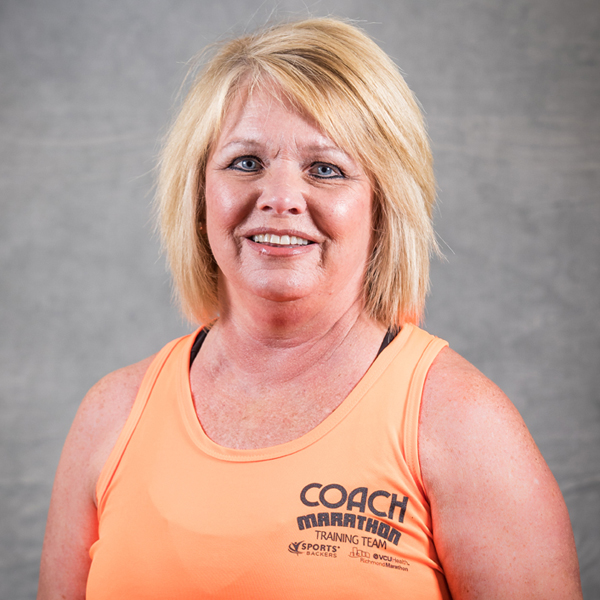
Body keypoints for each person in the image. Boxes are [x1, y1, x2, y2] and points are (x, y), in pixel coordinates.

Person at [38, 17, 582, 600]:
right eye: (245, 162)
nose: (279, 198)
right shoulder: (110, 415)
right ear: (198, 193)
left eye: (326, 169)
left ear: (383, 205)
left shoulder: (462, 424)